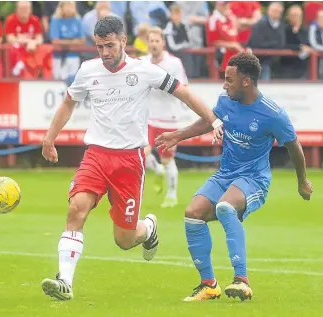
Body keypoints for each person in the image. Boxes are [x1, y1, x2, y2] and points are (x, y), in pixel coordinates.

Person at [41, 16, 223, 301]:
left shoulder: (145, 70)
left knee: (124, 240)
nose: (104, 53)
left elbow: (184, 93)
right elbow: (68, 103)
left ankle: (148, 228)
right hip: (96, 156)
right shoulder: (88, 70)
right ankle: (64, 280)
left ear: (124, 41)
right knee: (77, 209)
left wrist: (213, 121)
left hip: (129, 162)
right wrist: (49, 137)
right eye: (100, 46)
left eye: (110, 46)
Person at [156, 52, 313, 302]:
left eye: (229, 79)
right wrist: (178, 135)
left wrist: (302, 181)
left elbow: (294, 146)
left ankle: (242, 280)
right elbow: (210, 122)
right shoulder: (226, 100)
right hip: (225, 174)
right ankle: (208, 285)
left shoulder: (273, 114)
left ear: (246, 81)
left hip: (254, 179)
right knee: (192, 214)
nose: (224, 84)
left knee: (225, 207)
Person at [144, 27, 188, 208]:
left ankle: (171, 194)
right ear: (147, 43)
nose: (154, 44)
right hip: (147, 118)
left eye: (157, 41)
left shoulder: (174, 63)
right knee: (139, 153)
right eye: (151, 41)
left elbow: (183, 87)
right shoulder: (143, 62)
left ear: (163, 43)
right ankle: (156, 169)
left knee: (167, 158)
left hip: (168, 118)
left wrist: (163, 87)